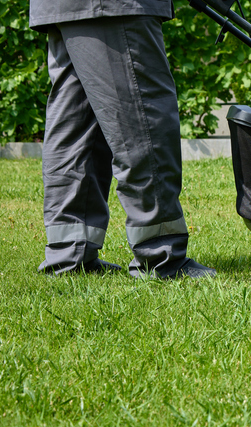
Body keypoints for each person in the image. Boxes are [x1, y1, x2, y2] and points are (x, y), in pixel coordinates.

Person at [29, 0, 216, 279]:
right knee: (143, 119)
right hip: (116, 5)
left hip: (64, 6)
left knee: (78, 126)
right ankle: (160, 255)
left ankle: (70, 253)